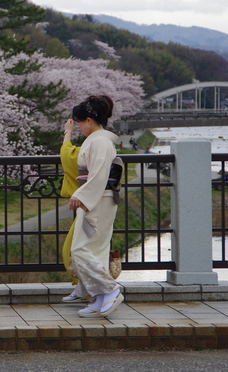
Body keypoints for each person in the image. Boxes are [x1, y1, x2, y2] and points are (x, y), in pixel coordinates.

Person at [66, 95, 124, 318]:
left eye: (79, 122)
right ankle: (99, 299)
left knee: (80, 248)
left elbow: (99, 174)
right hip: (101, 198)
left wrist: (81, 195)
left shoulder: (99, 142)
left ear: (89, 120)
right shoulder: (101, 141)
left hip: (98, 199)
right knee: (96, 249)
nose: (79, 126)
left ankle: (109, 290)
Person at [60, 118, 88, 304]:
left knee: (75, 249)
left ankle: (100, 292)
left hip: (89, 205)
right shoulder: (101, 145)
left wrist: (67, 132)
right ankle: (83, 289)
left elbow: (67, 155)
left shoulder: (90, 148)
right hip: (96, 203)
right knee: (81, 249)